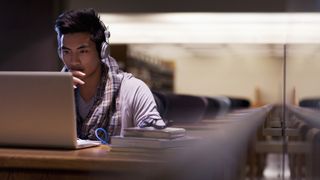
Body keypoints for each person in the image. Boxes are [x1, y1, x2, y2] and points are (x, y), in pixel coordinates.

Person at [54, 8, 166, 141]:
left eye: (83, 51)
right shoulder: (53, 92)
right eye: (66, 52)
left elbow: (156, 141)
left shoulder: (133, 89)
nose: (73, 61)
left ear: (102, 51)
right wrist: (56, 95)